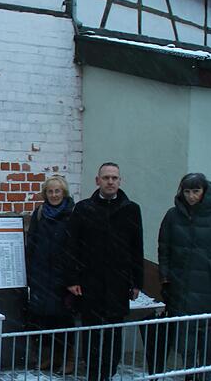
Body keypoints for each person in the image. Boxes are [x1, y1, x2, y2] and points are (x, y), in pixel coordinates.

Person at [158, 173, 211, 381]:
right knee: (184, 337)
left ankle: (204, 375)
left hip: (210, 287)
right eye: (187, 191)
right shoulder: (172, 215)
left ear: (204, 191)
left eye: (196, 191)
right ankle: (188, 374)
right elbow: (164, 249)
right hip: (180, 287)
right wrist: (165, 277)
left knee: (207, 338)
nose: (191, 196)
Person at [65, 162, 144, 381]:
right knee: (90, 332)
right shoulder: (83, 209)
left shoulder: (131, 209)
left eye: (114, 178)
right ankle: (92, 373)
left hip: (118, 283)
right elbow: (71, 246)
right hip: (89, 282)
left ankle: (109, 371)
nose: (110, 181)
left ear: (120, 181)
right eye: (106, 177)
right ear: (97, 181)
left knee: (114, 333)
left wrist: (137, 282)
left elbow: (137, 247)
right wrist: (72, 279)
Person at [25, 175, 76, 374]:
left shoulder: (72, 214)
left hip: (63, 277)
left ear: (64, 193)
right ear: (45, 193)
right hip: (41, 274)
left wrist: (73, 276)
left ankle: (68, 358)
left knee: (64, 319)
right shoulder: (39, 213)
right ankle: (50, 357)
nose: (54, 195)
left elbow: (77, 246)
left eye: (57, 191)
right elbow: (32, 243)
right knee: (43, 318)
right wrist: (30, 272)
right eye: (50, 191)